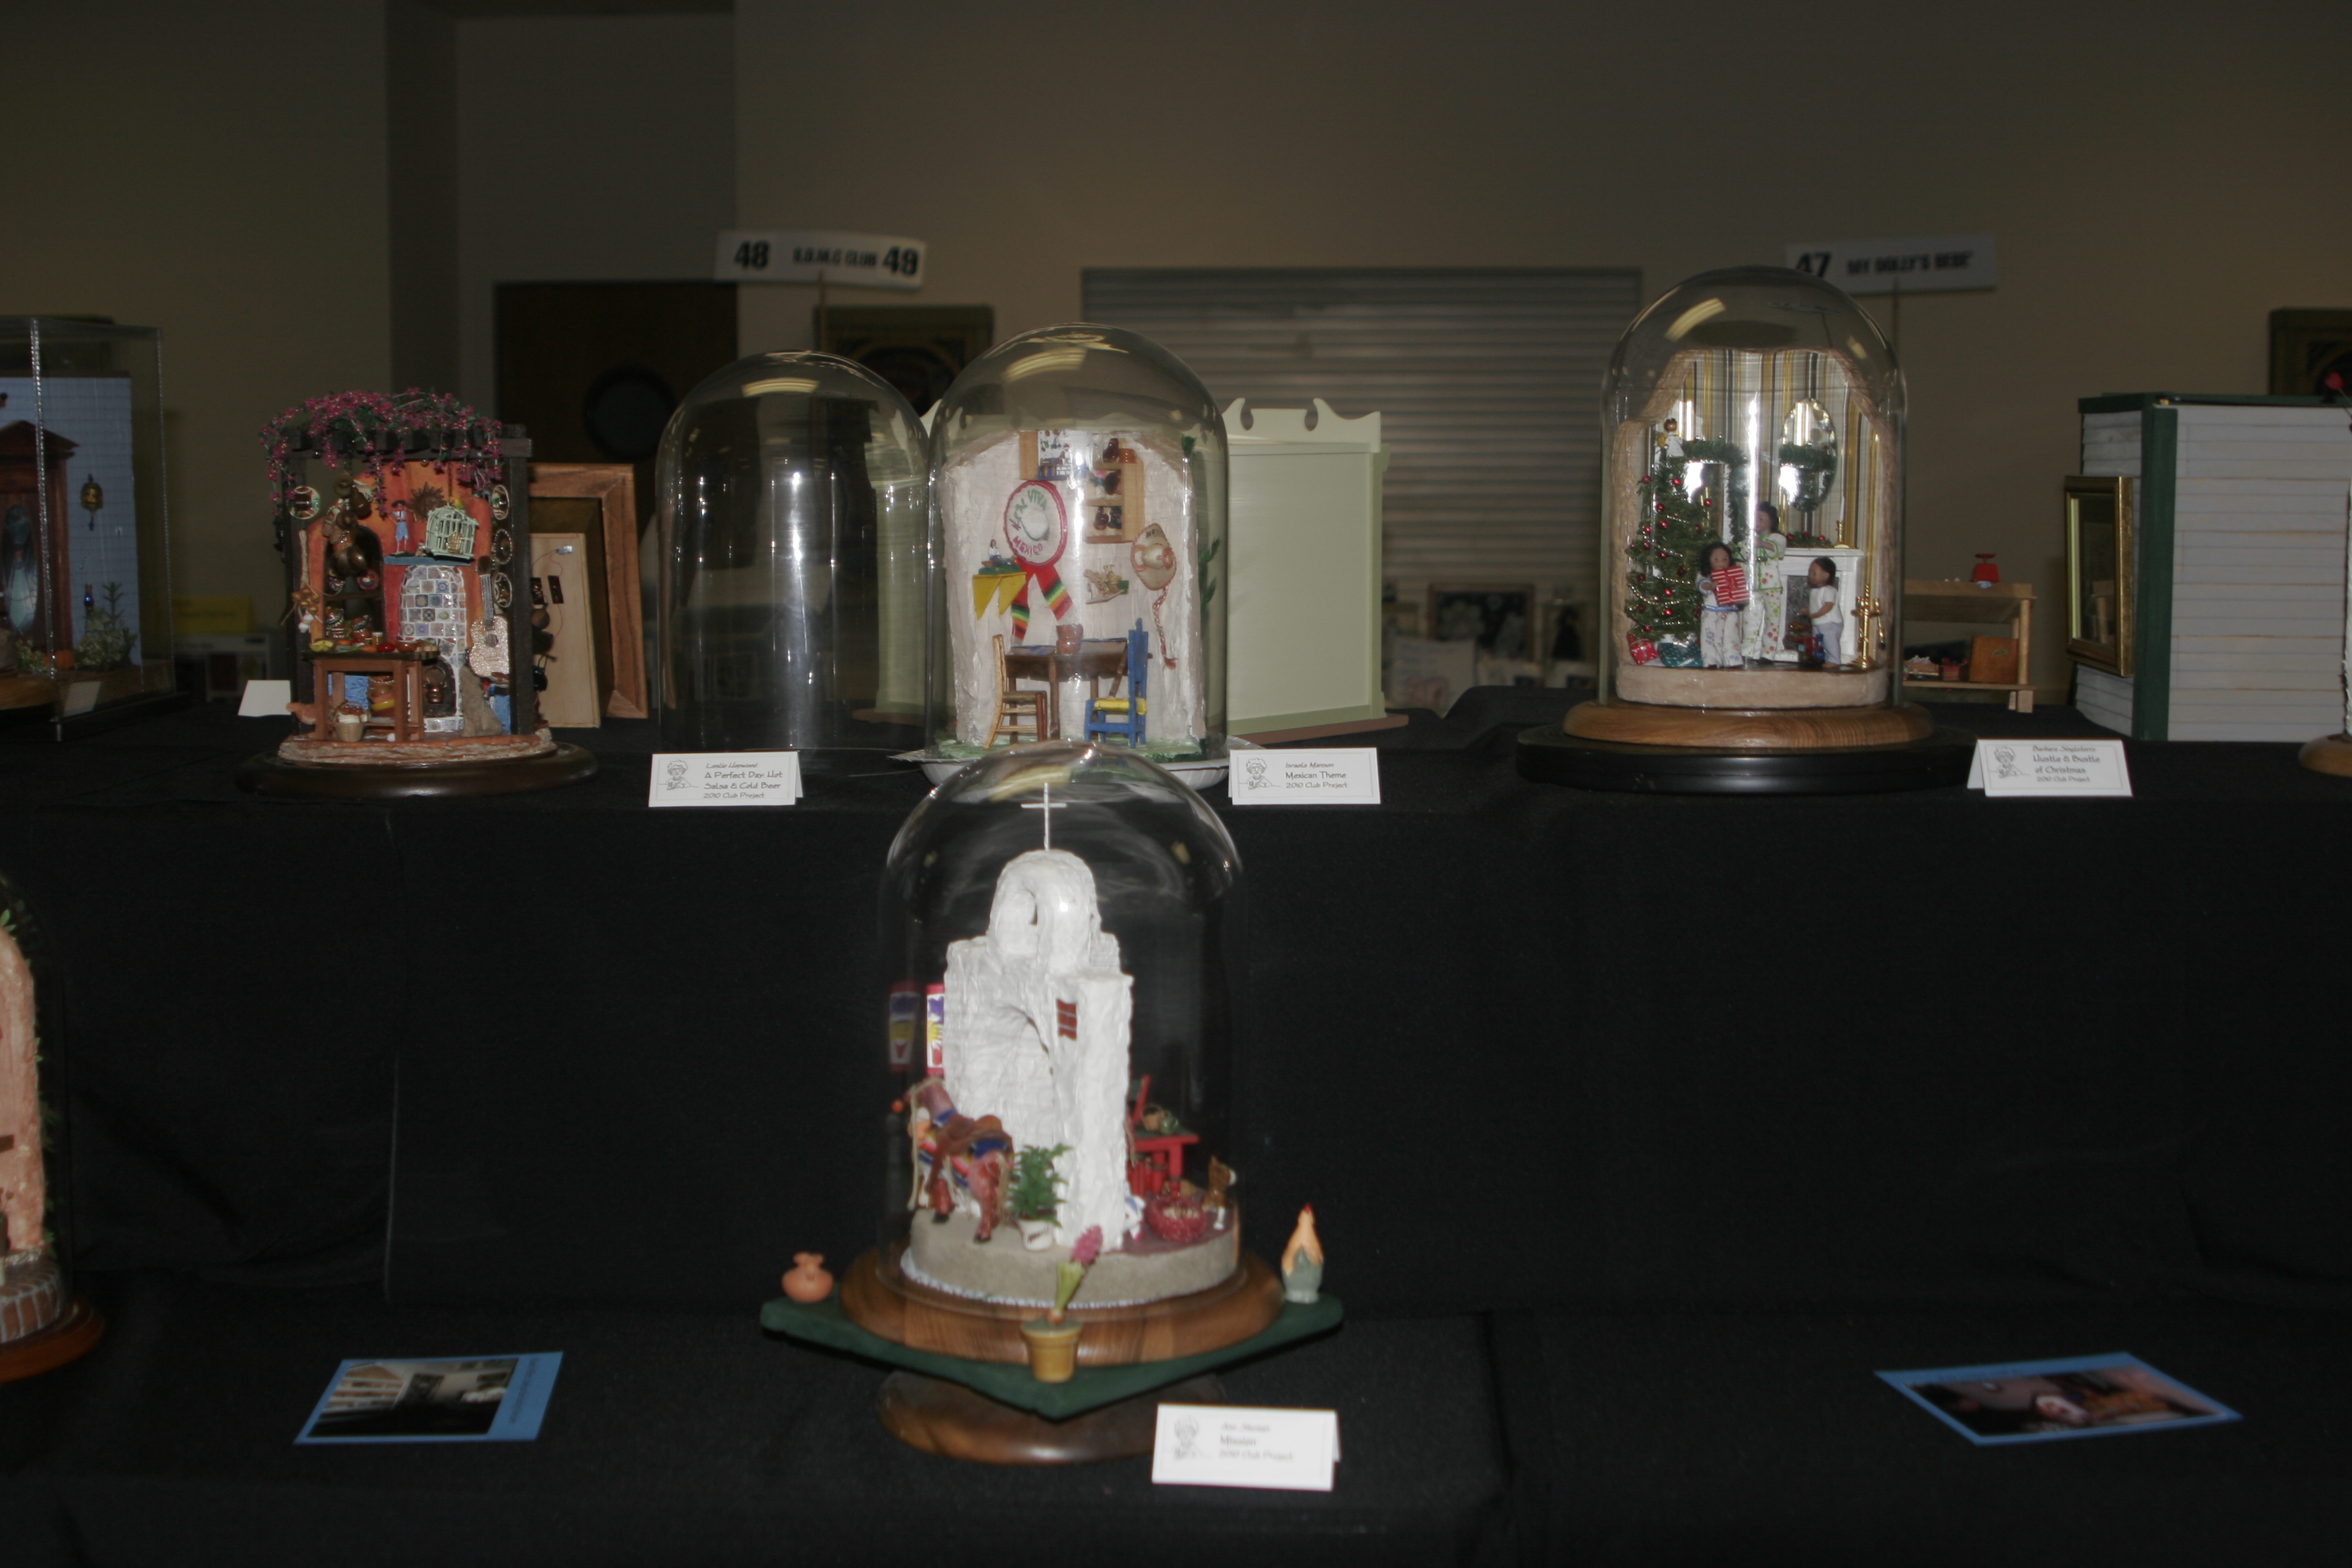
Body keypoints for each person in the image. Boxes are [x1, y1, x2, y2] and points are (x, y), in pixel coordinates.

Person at [1747, 503, 1789, 660]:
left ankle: (1768, 654)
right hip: (1753, 585)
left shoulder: (1777, 538)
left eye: (1761, 518)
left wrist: (1762, 544)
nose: (1757, 522)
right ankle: (1747, 651)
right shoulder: (1749, 538)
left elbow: (1779, 550)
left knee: (1772, 620)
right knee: (1750, 618)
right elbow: (1742, 552)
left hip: (1771, 585)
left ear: (1771, 521)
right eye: (1755, 518)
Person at [1696, 541, 1747, 668]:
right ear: (1708, 560)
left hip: (1730, 610)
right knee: (1710, 636)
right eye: (1716, 559)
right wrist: (1711, 586)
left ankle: (1732, 659)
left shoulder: (1733, 574)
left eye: (1725, 559)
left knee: (1731, 635)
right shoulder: (1705, 576)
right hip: (1711, 612)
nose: (1721, 563)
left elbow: (1741, 587)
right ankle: (1711, 660)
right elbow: (1702, 585)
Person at [1804, 556, 1843, 667]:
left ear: (1826, 575)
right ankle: (1820, 657)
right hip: (1819, 622)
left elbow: (1828, 605)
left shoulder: (1828, 590)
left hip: (1829, 622)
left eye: (1814, 573)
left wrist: (1817, 614)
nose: (1810, 575)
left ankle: (1834, 660)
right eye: (1809, 573)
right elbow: (1816, 605)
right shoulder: (1815, 590)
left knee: (1830, 641)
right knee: (1818, 641)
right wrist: (1808, 611)